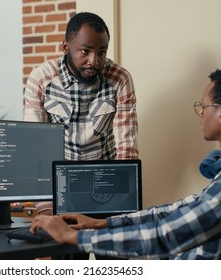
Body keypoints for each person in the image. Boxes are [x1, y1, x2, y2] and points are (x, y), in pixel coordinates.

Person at [29, 65, 221, 259]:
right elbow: (179, 210)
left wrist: (75, 238)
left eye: (203, 106)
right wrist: (103, 222)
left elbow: (165, 237)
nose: (200, 112)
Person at [23, 12, 139, 216]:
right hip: (60, 188)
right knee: (59, 244)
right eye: (85, 51)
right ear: (66, 46)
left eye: (101, 52)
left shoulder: (119, 79)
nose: (94, 61)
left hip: (106, 184)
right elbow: (36, 151)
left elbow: (127, 149)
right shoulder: (41, 79)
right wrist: (46, 208)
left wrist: (123, 206)